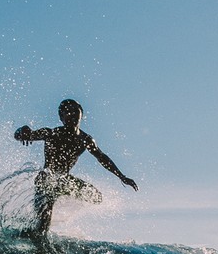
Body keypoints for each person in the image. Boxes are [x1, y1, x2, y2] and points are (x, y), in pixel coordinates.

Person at [14, 98, 138, 236]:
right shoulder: (51, 133)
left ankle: (49, 217)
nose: (72, 114)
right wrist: (22, 130)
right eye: (67, 112)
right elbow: (21, 135)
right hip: (46, 180)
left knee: (96, 196)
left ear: (81, 115)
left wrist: (122, 176)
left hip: (64, 180)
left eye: (75, 111)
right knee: (43, 224)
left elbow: (102, 157)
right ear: (61, 117)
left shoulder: (85, 140)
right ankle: (34, 235)